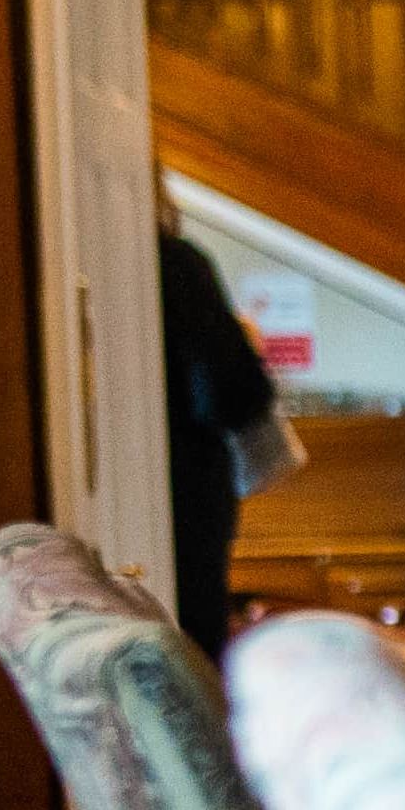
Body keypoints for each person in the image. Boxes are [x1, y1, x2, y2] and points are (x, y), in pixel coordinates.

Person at [153, 223, 288, 656]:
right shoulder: (175, 263)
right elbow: (233, 395)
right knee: (195, 658)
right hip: (188, 498)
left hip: (151, 499)